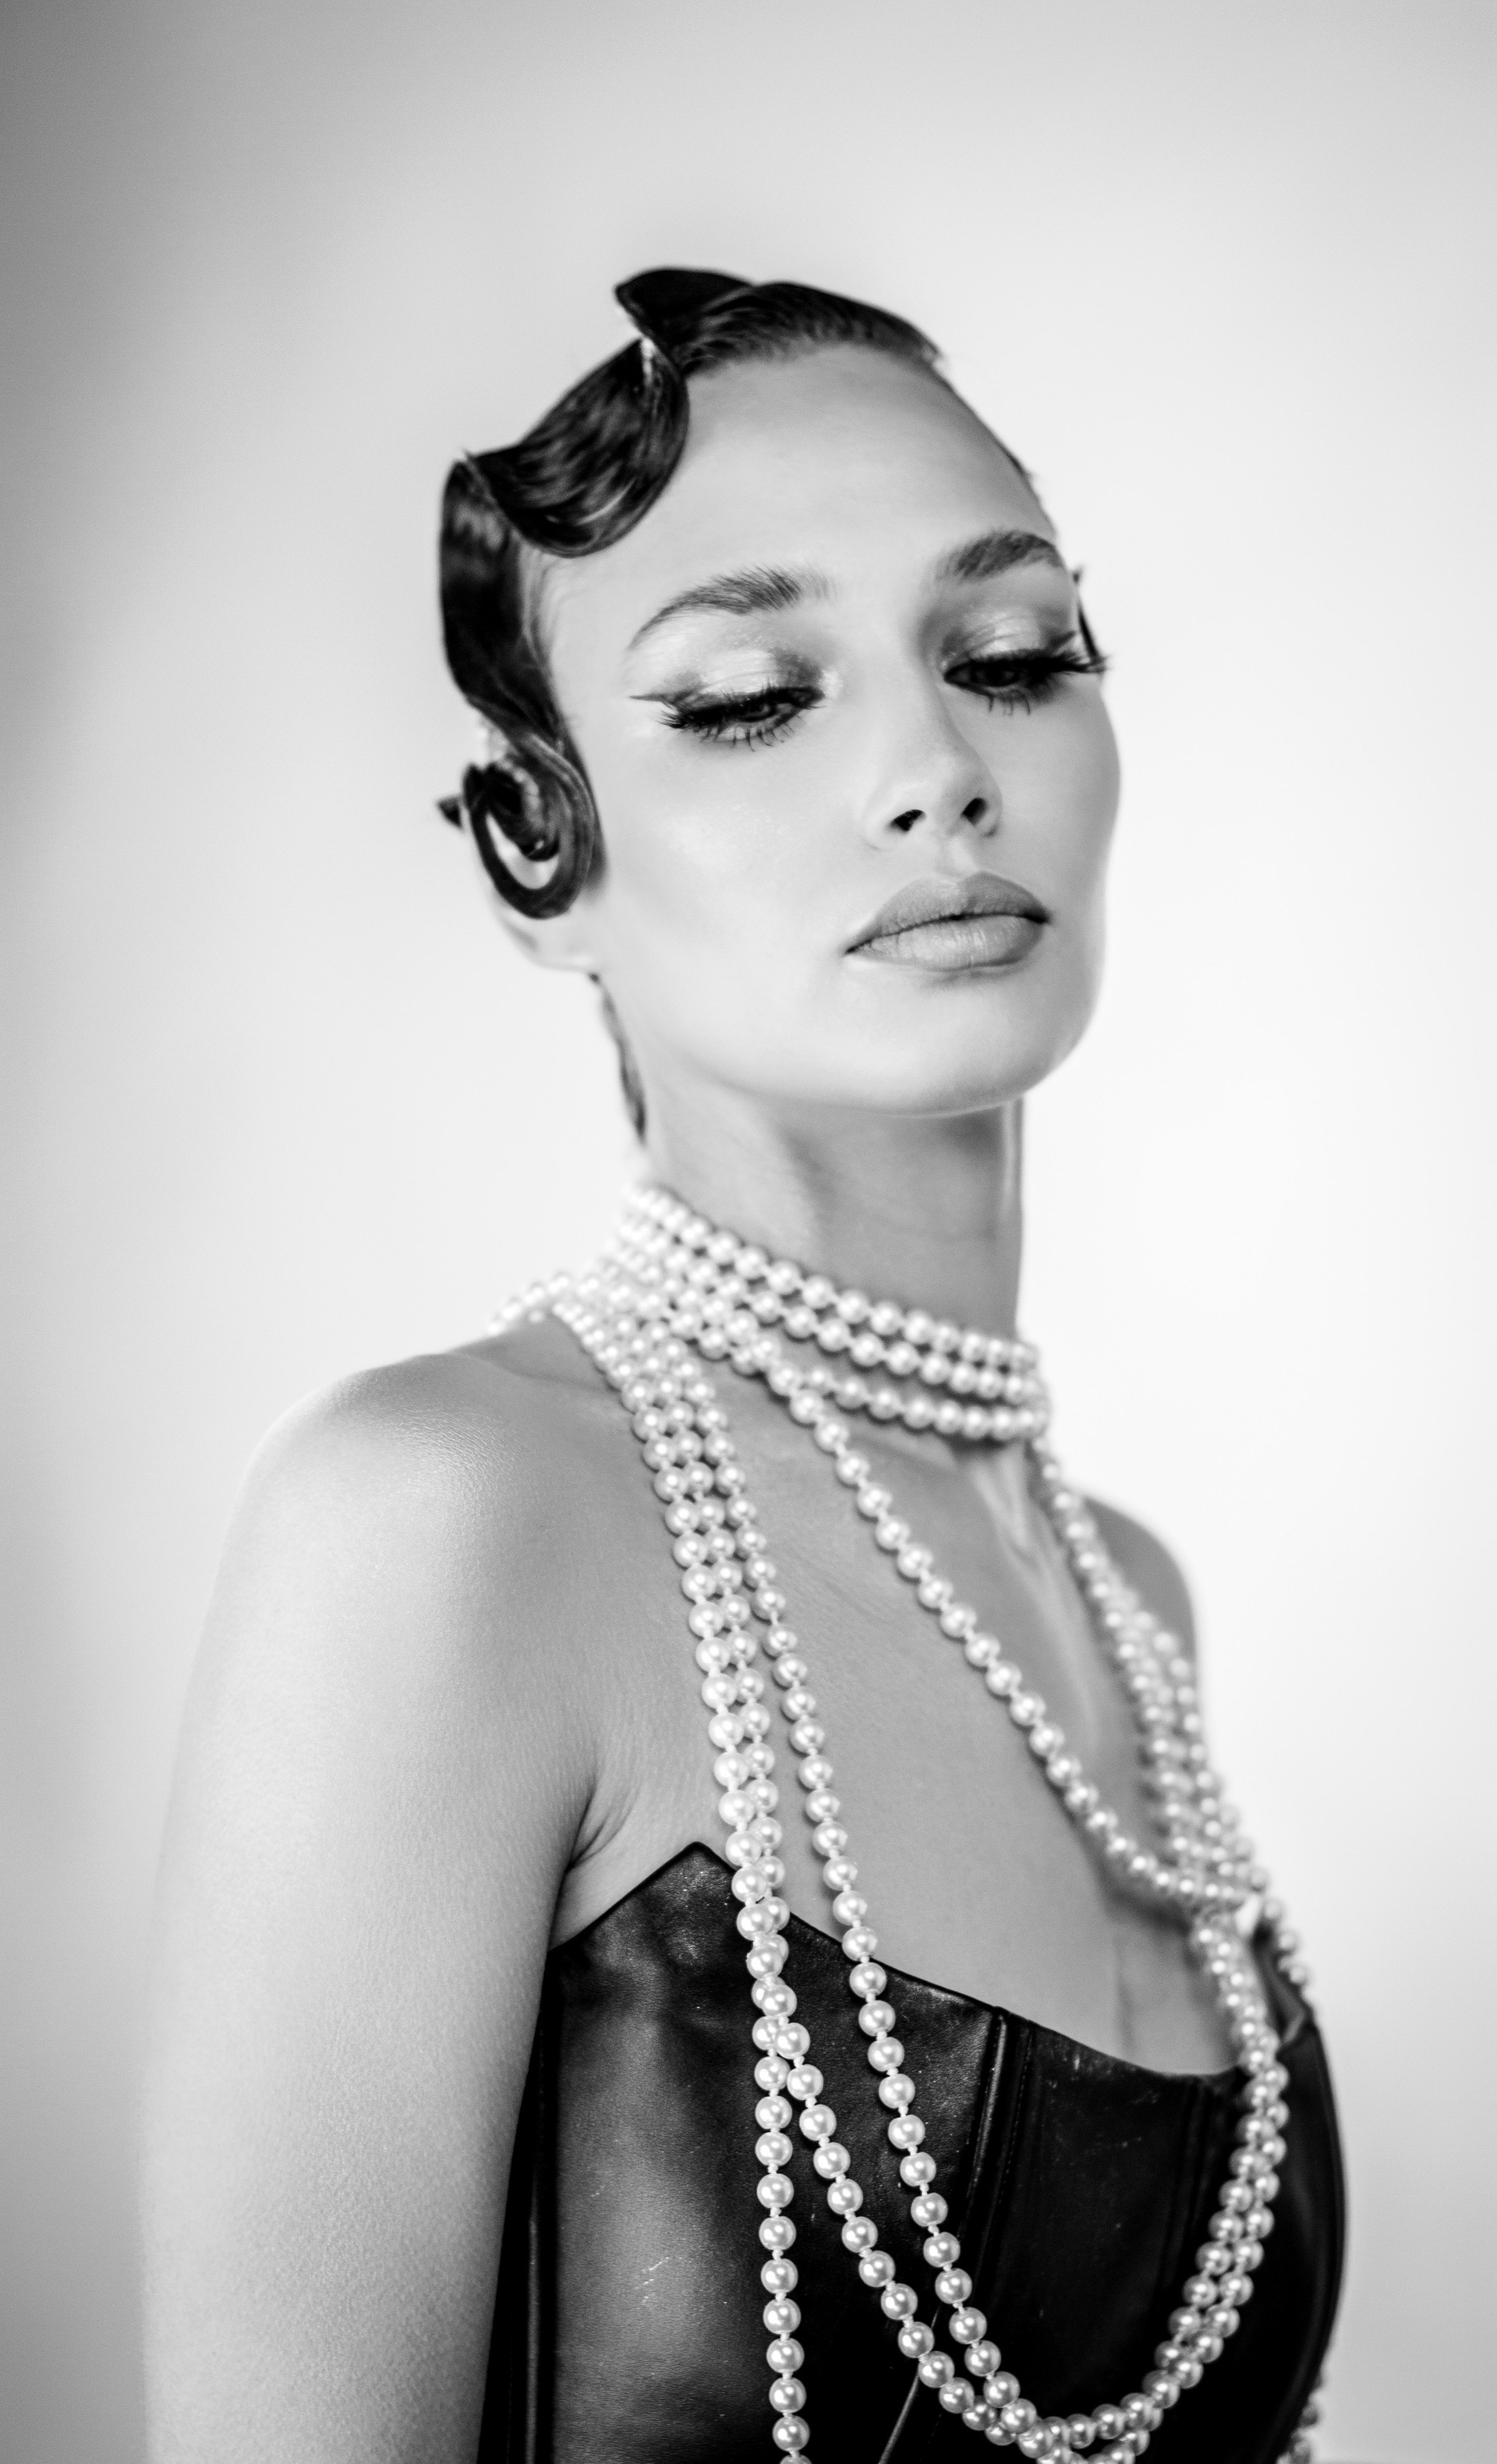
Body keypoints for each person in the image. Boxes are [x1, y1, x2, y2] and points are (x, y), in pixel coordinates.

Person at [141, 270, 1343, 2464]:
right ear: (539, 849)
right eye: (749, 697)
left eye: (1013, 654)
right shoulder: (447, 1523)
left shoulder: (1133, 1612)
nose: (936, 770)